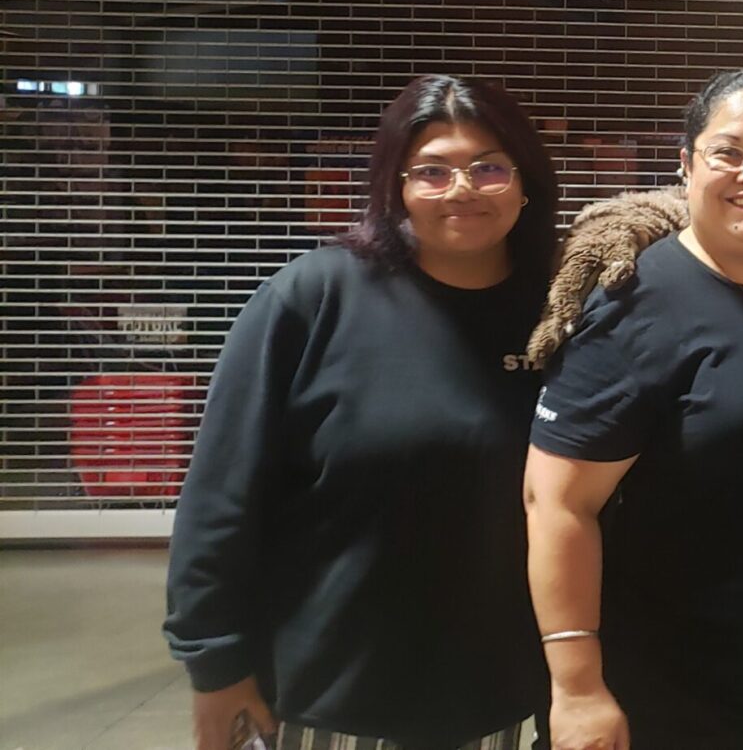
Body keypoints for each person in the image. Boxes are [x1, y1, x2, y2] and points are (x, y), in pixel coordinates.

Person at [165, 75, 559, 750]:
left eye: (489, 166)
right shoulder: (313, 299)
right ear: (396, 185)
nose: (462, 187)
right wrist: (216, 663)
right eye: (432, 170)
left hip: (511, 698)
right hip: (331, 696)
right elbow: (222, 494)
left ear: (525, 181)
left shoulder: (565, 312)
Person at [524, 69, 743, 749]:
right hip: (672, 687)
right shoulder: (633, 303)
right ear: (687, 164)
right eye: (728, 152)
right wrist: (576, 686)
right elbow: (556, 504)